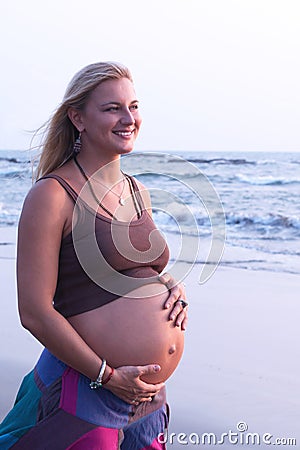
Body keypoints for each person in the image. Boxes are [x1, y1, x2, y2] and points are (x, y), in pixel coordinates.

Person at [0, 61, 188, 449]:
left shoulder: (136, 191)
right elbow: (34, 312)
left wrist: (171, 287)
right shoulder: (52, 196)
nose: (128, 118)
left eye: (133, 106)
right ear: (77, 118)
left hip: (147, 397)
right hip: (86, 389)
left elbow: (138, 267)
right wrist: (106, 375)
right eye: (112, 108)